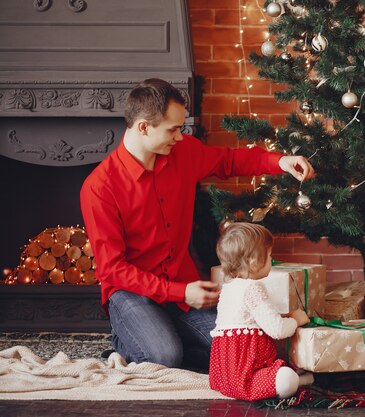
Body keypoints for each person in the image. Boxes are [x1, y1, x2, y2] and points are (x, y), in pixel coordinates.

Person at [80, 78, 314, 369]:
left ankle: (160, 340)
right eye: (173, 129)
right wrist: (181, 292)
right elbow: (112, 269)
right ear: (143, 127)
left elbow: (228, 161)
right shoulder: (99, 187)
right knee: (165, 356)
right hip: (133, 294)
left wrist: (279, 161)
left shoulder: (183, 152)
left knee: (237, 349)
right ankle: (125, 345)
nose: (180, 136)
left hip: (183, 287)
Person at [209, 222, 313, 400]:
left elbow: (251, 320)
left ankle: (287, 378)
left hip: (223, 377)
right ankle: (297, 381)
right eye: (270, 256)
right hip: (246, 375)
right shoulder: (252, 288)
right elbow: (277, 330)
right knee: (286, 379)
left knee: (282, 372)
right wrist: (296, 319)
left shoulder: (229, 287)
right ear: (254, 262)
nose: (271, 261)